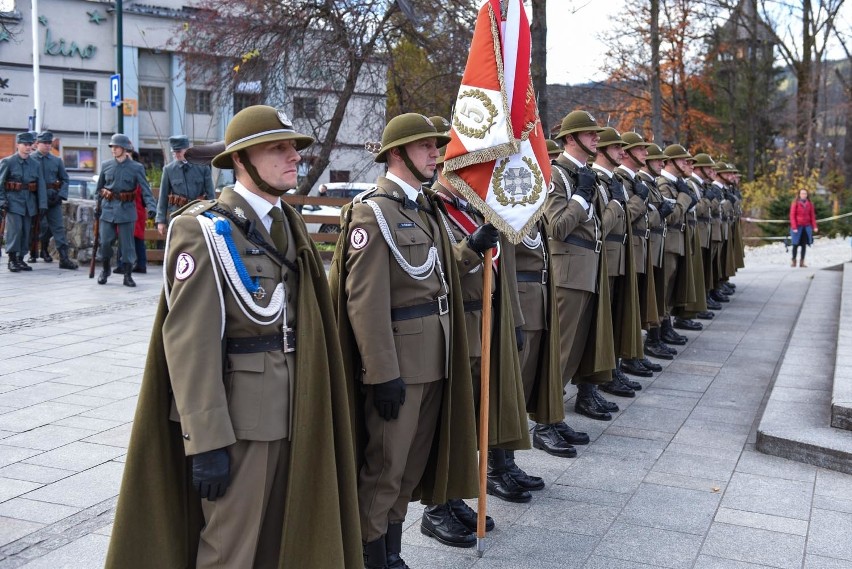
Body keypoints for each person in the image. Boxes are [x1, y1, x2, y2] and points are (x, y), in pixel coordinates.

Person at [105, 105, 362, 569]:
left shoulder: (286, 223)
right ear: (241, 160)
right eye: (278, 148)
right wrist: (205, 441)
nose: (294, 157)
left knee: (276, 540)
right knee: (230, 550)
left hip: (293, 408)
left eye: (294, 147)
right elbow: (189, 344)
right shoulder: (203, 230)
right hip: (240, 419)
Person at [329, 113, 483, 567]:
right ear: (397, 154)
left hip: (434, 355)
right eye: (425, 147)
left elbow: (437, 276)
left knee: (411, 466)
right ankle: (370, 556)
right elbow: (365, 301)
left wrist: (473, 247)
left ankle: (392, 553)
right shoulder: (372, 213)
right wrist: (381, 373)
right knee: (385, 468)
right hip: (399, 362)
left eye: (437, 146)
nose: (436, 154)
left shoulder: (424, 207)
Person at [540, 109, 616, 427]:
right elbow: (557, 227)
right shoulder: (556, 175)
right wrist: (582, 197)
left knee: (575, 350)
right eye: (589, 134)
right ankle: (547, 421)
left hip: (588, 267)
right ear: (570, 139)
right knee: (560, 351)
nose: (596, 138)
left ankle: (556, 415)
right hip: (568, 271)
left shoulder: (585, 173)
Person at [94, 134, 156, 286]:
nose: (113, 150)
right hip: (108, 209)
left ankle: (127, 275)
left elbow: (146, 190)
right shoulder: (106, 165)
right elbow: (99, 188)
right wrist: (98, 205)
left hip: (127, 210)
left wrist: (151, 206)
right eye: (112, 147)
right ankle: (105, 269)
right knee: (106, 242)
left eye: (116, 147)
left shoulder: (136, 167)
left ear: (124, 148)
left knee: (127, 245)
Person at [0, 131, 46, 272]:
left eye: (30, 144)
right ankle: (12, 259)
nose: (28, 147)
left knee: (27, 231)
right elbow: (0, 183)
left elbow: (41, 185)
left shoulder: (35, 163)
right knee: (15, 231)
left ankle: (21, 259)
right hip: (13, 202)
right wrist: (2, 201)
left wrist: (42, 204)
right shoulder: (8, 162)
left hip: (29, 203)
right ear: (18, 145)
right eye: (25, 144)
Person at [30, 131, 77, 269]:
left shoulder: (57, 161)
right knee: (36, 227)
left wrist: (60, 195)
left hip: (52, 198)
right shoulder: (31, 159)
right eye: (44, 143)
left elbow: (65, 179)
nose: (47, 145)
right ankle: (31, 253)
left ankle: (64, 258)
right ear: (37, 144)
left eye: (49, 143)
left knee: (58, 228)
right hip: (35, 199)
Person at [156, 135, 215, 236]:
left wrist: (212, 215)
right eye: (174, 152)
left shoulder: (202, 167)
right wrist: (161, 221)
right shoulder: (169, 170)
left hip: (198, 214)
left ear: (187, 150)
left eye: (179, 151)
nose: (176, 154)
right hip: (177, 215)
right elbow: (163, 197)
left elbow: (210, 194)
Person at [789, 188, 817, 268]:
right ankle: (794, 261)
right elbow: (792, 215)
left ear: (807, 195)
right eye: (802, 193)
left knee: (804, 245)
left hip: (806, 227)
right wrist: (794, 227)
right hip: (797, 227)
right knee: (795, 244)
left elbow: (812, 216)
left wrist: (814, 226)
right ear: (799, 194)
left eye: (805, 193)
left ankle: (802, 261)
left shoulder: (810, 204)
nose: (803, 195)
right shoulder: (795, 203)